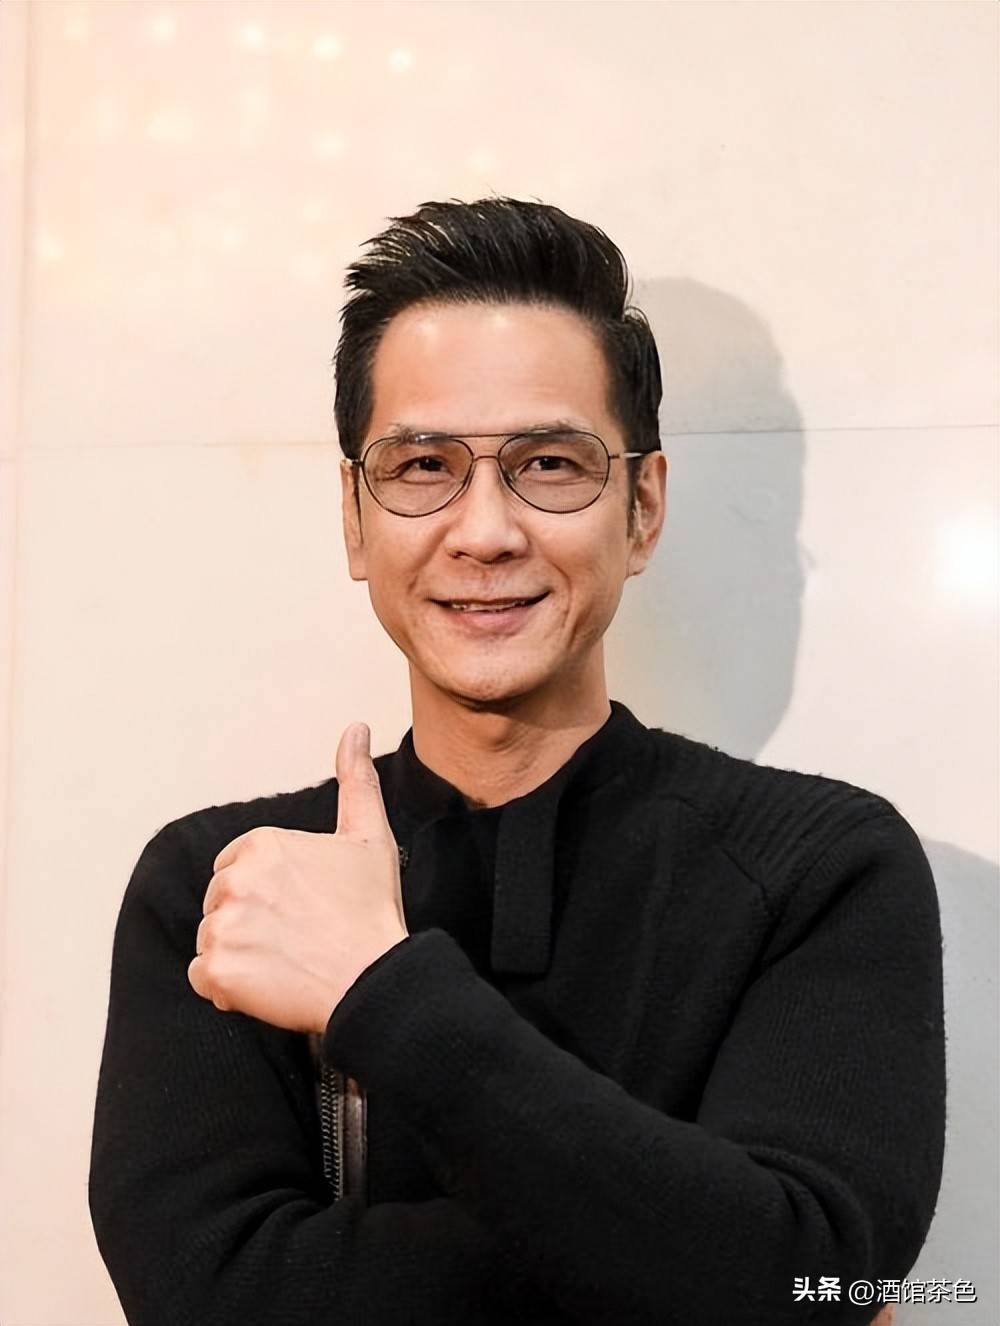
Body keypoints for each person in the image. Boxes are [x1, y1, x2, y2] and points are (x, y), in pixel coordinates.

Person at [89, 197, 944, 1326]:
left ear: (642, 508)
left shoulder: (822, 867)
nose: (485, 531)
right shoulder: (232, 885)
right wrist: (693, 1250)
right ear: (354, 516)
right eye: (422, 465)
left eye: (548, 463)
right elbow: (207, 1295)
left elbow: (805, 1268)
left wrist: (377, 992)